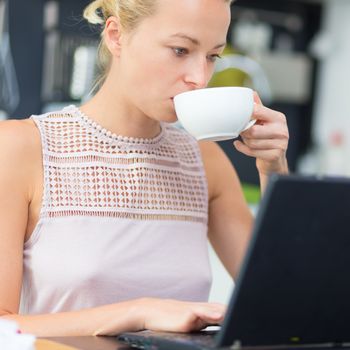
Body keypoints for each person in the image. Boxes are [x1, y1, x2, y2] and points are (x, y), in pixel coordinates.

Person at [0, 0, 289, 337]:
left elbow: (283, 305)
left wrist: (274, 171)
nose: (199, 78)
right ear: (117, 35)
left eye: (212, 56)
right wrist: (140, 312)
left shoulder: (206, 161)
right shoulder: (20, 148)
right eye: (180, 50)